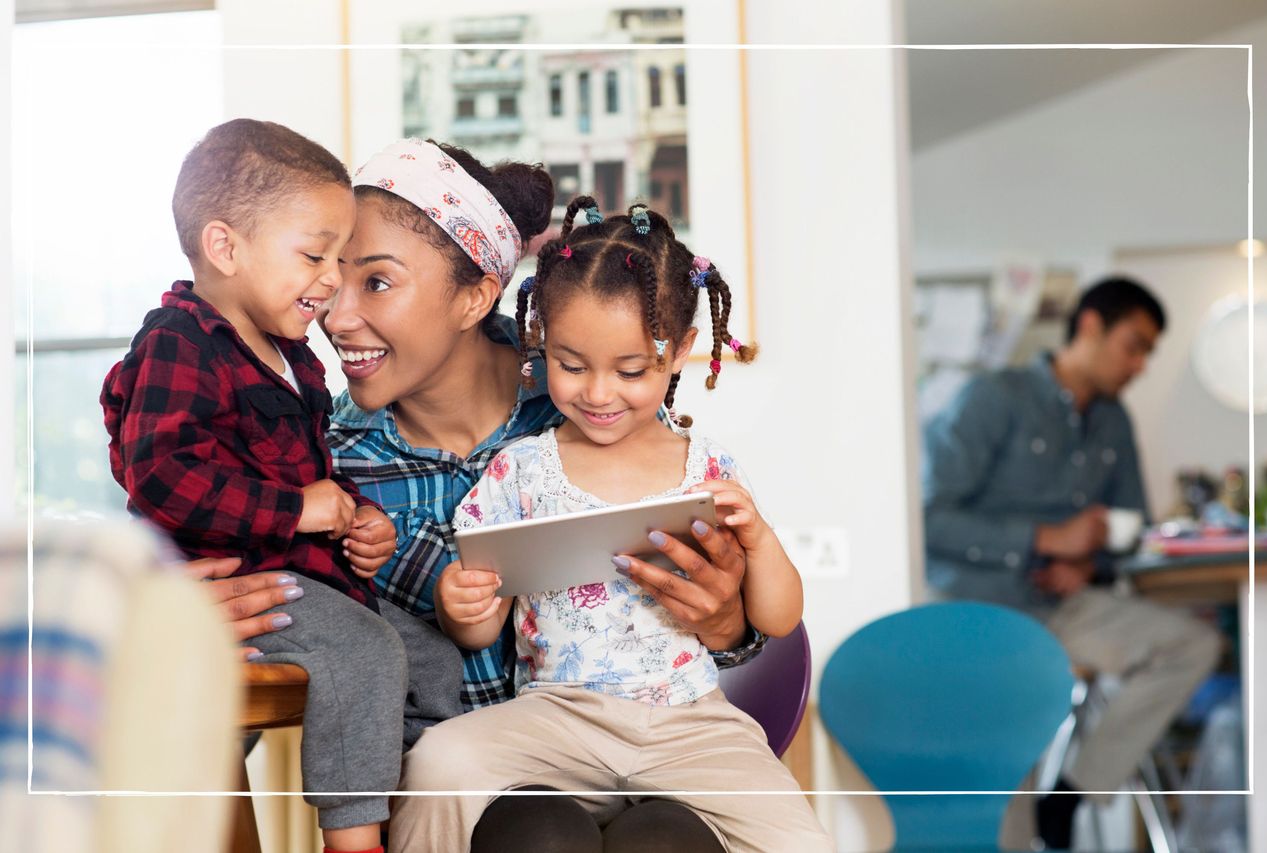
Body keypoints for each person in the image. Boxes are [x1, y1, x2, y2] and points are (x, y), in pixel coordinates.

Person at [321, 139, 769, 847]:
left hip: (658, 760)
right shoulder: (324, 469)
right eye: (327, 276)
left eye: (375, 282)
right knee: (541, 835)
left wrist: (727, 622)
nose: (334, 316)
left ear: (475, 296)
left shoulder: (599, 407)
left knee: (664, 838)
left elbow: (734, 619)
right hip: (482, 799)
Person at [389, 196, 832, 853]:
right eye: (571, 365)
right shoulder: (522, 472)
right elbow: (480, 621)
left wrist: (761, 540)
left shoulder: (706, 467)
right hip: (557, 717)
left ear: (680, 350)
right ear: (541, 342)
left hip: (689, 721)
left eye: (630, 371)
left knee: (806, 842)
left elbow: (775, 616)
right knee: (435, 765)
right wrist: (463, 602)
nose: (598, 393)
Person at [100, 118, 418, 853]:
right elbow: (161, 474)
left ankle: (412, 804)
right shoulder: (180, 342)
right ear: (225, 246)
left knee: (427, 653)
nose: (332, 279)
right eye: (315, 255)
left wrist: (353, 520)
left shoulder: (297, 361)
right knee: (364, 654)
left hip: (304, 581)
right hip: (237, 586)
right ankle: (353, 839)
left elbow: (308, 477)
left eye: (338, 258)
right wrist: (297, 509)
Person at [922, 276, 1221, 850]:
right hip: (989, 610)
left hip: (1069, 602)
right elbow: (929, 519)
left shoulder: (1113, 421)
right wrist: (1043, 538)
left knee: (1191, 645)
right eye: (1134, 345)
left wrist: (1089, 566)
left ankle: (1076, 791)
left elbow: (1133, 528)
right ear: (1089, 326)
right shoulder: (993, 397)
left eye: (1148, 353)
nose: (1140, 364)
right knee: (1010, 755)